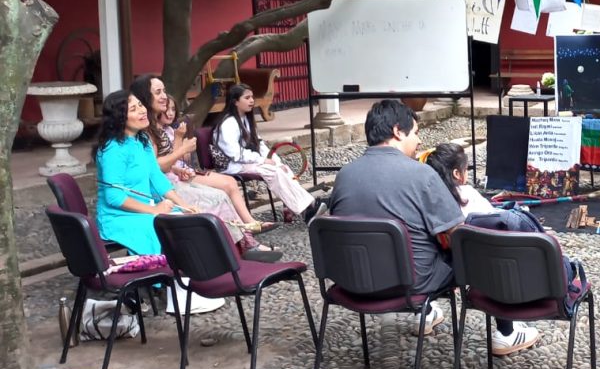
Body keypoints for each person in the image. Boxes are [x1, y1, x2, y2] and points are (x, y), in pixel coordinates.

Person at [329, 100, 541, 355]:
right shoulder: (421, 174)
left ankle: (426, 313)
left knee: (414, 238)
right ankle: (507, 333)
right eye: (416, 132)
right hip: (411, 284)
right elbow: (459, 237)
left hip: (351, 282)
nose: (419, 141)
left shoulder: (344, 175)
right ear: (398, 131)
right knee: (476, 247)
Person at [92, 90, 225, 313]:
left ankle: (189, 286)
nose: (142, 111)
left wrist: (183, 205)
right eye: (133, 109)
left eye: (140, 105)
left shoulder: (142, 140)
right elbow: (114, 197)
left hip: (144, 210)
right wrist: (153, 210)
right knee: (165, 227)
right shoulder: (113, 149)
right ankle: (177, 295)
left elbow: (157, 179)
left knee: (185, 221)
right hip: (117, 217)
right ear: (119, 117)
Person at [152, 98, 282, 262]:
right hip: (170, 183)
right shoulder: (152, 135)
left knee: (228, 186)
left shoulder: (168, 130)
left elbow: (173, 163)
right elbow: (162, 165)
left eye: (172, 109)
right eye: (166, 109)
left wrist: (181, 163)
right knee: (220, 195)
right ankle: (243, 240)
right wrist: (180, 143)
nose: (170, 113)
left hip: (180, 175)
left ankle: (247, 230)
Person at [214, 84, 324, 222]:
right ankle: (308, 207)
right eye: (247, 98)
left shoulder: (246, 120)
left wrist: (276, 161)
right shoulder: (228, 124)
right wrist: (262, 160)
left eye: (252, 97)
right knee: (273, 172)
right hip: (233, 165)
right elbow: (234, 153)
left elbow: (260, 145)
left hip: (248, 161)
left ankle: (299, 208)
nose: (251, 100)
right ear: (235, 102)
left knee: (283, 169)